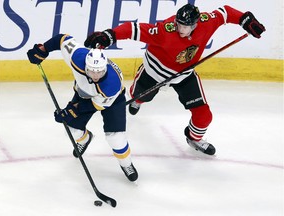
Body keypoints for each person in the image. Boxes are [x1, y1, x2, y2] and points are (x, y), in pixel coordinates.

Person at [84, 4, 265, 156]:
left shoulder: (206, 22)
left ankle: (194, 138)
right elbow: (134, 30)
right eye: (179, 24)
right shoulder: (164, 30)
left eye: (185, 26)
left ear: (195, 24)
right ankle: (138, 100)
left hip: (184, 76)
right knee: (138, 97)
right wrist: (109, 36)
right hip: (154, 73)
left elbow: (224, 13)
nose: (180, 29)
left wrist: (245, 19)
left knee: (204, 116)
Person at [27, 34, 138, 182]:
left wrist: (71, 111)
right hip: (84, 94)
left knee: (116, 139)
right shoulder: (78, 57)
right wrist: (43, 49)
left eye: (99, 71)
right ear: (86, 65)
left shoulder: (111, 84)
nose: (96, 75)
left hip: (113, 100)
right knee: (71, 130)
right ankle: (85, 139)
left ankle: (126, 164)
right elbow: (62, 40)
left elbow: (94, 105)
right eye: (92, 71)